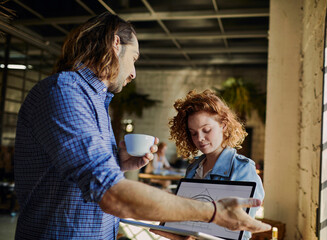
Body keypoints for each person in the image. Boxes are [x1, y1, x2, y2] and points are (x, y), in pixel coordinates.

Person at [14, 12, 271, 239]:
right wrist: (213, 212)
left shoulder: (94, 102)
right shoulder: (65, 91)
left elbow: (84, 179)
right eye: (134, 57)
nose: (133, 72)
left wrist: (117, 162)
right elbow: (110, 192)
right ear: (116, 44)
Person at [151, 89, 265, 240]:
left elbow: (240, 229)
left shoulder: (243, 168)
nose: (200, 138)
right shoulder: (193, 168)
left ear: (223, 125)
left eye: (206, 130)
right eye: (193, 133)